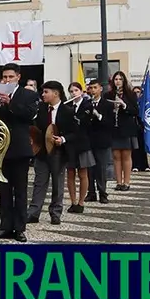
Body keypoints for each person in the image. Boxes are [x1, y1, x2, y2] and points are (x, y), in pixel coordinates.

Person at [0, 63, 38, 243]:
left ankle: (20, 228)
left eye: (10, 77)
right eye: (4, 77)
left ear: (18, 77)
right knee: (4, 191)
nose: (7, 80)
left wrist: (11, 103)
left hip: (20, 147)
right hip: (2, 148)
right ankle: (5, 226)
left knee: (20, 191)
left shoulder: (28, 94)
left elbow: (29, 115)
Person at [28, 81, 69, 226]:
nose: (43, 95)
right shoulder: (41, 109)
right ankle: (33, 213)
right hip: (42, 152)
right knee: (39, 183)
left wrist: (63, 139)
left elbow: (76, 132)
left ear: (56, 93)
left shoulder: (67, 110)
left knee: (58, 184)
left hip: (58, 152)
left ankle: (55, 213)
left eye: (46, 92)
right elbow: (36, 127)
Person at [61, 81, 94, 213]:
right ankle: (73, 201)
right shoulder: (68, 106)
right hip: (70, 143)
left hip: (82, 142)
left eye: (76, 90)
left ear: (81, 91)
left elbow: (84, 122)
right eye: (71, 91)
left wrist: (72, 117)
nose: (73, 93)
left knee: (83, 173)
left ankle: (81, 202)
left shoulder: (87, 105)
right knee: (70, 172)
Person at [107, 71, 140, 190]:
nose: (118, 81)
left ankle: (126, 182)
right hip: (114, 128)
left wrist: (125, 106)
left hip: (126, 128)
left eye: (120, 79)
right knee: (116, 156)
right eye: (116, 79)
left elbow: (135, 111)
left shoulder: (130, 94)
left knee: (126, 155)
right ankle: (119, 182)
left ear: (124, 81)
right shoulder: (109, 95)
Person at [83, 79, 113, 204]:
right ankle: (91, 192)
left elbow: (109, 123)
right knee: (90, 168)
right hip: (89, 140)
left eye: (95, 87)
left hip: (102, 140)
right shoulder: (87, 104)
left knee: (101, 168)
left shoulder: (107, 104)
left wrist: (98, 116)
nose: (93, 90)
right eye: (91, 88)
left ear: (101, 88)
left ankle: (102, 193)